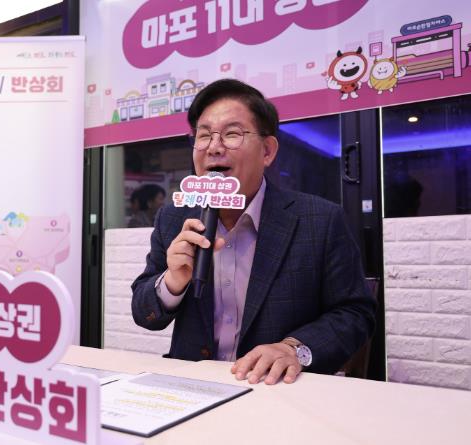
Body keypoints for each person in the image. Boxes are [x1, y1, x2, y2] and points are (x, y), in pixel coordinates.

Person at [131, 79, 376, 385]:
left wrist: (293, 349)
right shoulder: (173, 218)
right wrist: (172, 282)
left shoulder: (320, 221)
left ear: (268, 151)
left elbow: (355, 314)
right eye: (204, 135)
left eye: (232, 134)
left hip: (275, 391)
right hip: (192, 388)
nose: (214, 147)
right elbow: (143, 313)